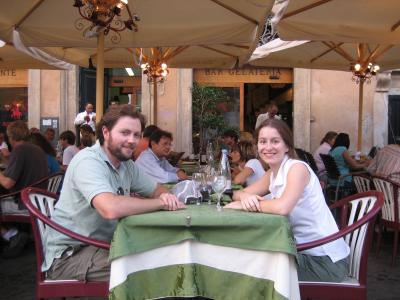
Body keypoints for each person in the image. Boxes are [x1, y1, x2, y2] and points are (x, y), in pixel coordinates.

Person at [43, 104, 185, 281]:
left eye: (136, 135)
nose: (132, 140)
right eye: (125, 133)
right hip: (69, 255)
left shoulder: (126, 164)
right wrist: (162, 202)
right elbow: (110, 208)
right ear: (106, 132)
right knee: (159, 266)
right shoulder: (88, 161)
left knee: (171, 252)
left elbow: (157, 189)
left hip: (105, 245)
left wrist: (164, 195)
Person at [225, 119, 350, 282]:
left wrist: (245, 205)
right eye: (263, 141)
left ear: (287, 146)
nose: (268, 147)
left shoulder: (296, 168)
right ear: (257, 147)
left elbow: (283, 207)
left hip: (324, 262)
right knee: (246, 258)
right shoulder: (272, 172)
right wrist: (245, 197)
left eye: (275, 141)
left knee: (249, 268)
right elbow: (238, 193)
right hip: (301, 251)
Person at [0, 121, 48, 258]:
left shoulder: (19, 150)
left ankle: (10, 234)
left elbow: (8, 183)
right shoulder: (37, 149)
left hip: (25, 202)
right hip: (38, 198)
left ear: (11, 137)